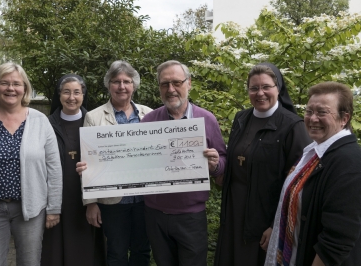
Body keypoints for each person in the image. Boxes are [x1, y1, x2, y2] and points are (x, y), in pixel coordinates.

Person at [0, 62, 62, 266]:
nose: (10, 88)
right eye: (4, 83)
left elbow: (54, 167)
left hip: (31, 210)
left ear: (24, 88)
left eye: (16, 83)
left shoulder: (40, 121)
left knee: (29, 262)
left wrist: (53, 208)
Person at [214, 63, 311, 266]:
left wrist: (275, 225)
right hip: (234, 208)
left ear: (278, 88)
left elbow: (297, 183)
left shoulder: (292, 126)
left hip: (265, 214)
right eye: (254, 88)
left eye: (266, 86)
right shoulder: (241, 118)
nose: (260, 93)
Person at [139, 60, 227, 266]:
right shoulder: (148, 122)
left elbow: (223, 161)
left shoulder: (207, 119)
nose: (171, 89)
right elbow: (136, 162)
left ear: (189, 84)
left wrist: (215, 165)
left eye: (176, 82)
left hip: (191, 216)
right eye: (164, 84)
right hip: (155, 215)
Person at [265, 82, 361, 266]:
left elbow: (337, 240)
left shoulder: (349, 162)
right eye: (309, 111)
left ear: (344, 118)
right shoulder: (313, 153)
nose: (313, 118)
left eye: (322, 112)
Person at [78, 60, 152, 266]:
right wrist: (91, 202)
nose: (122, 86)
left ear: (134, 85)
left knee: (142, 252)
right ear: (108, 85)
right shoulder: (93, 117)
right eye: (116, 81)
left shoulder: (149, 114)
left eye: (126, 81)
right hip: (113, 201)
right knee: (116, 254)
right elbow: (87, 163)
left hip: (145, 199)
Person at [41, 74, 106, 266]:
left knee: (85, 251)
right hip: (55, 200)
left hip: (86, 201)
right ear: (58, 95)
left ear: (83, 95)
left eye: (77, 92)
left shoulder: (95, 123)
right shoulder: (46, 125)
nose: (71, 97)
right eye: (66, 92)